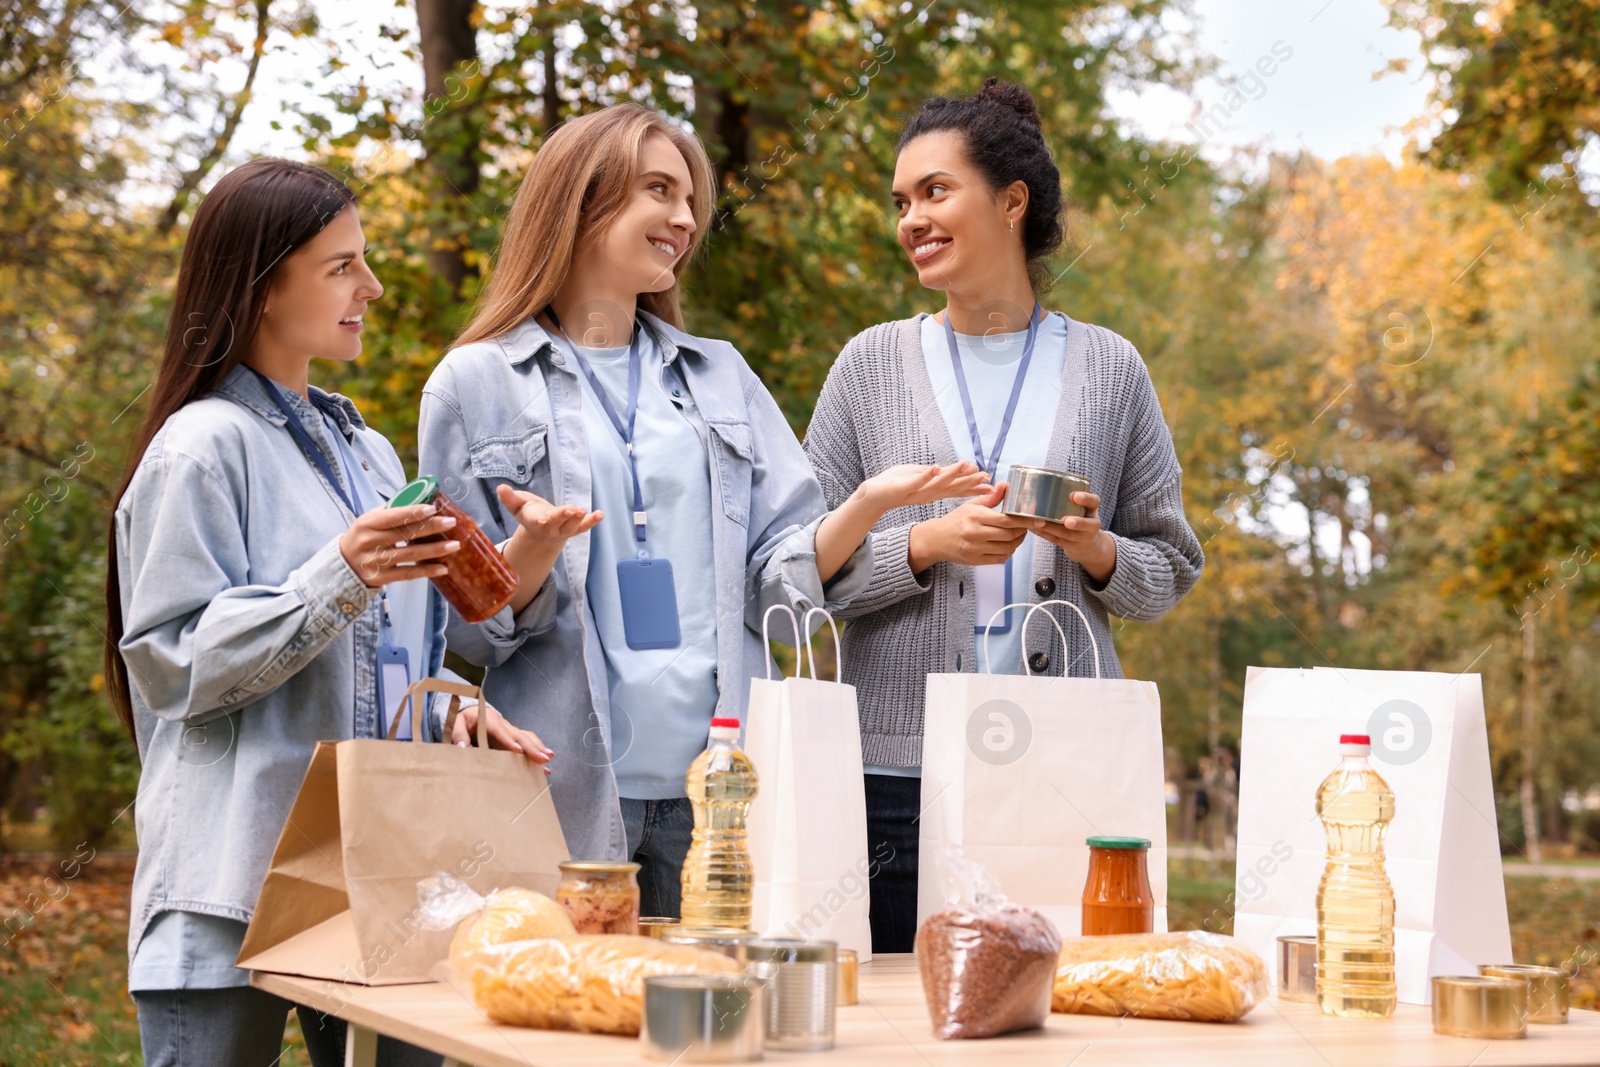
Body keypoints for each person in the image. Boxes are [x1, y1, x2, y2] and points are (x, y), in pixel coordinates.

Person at [418, 103, 985, 917]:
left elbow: (781, 581)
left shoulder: (721, 377)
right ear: (582, 200)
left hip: (720, 797)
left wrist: (864, 503)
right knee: (569, 1035)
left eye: (690, 203)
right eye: (659, 191)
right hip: (558, 793)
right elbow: (467, 632)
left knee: (713, 1038)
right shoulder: (474, 383)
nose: (684, 221)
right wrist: (532, 555)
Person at [106, 158, 544, 1067]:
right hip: (232, 885)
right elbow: (171, 661)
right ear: (263, 286)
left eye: (365, 261)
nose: (371, 287)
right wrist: (334, 575)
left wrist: (453, 707)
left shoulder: (372, 452)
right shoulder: (200, 447)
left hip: (383, 880)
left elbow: (387, 650)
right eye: (342, 265)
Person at [802, 79, 1205, 952]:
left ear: (1013, 201)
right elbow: (794, 573)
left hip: (1066, 766)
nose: (911, 218)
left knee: (1063, 1016)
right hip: (895, 776)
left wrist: (1096, 549)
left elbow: (1168, 570)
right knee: (899, 1025)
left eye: (935, 191)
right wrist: (919, 546)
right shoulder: (869, 365)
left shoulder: (1109, 367)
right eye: (901, 201)